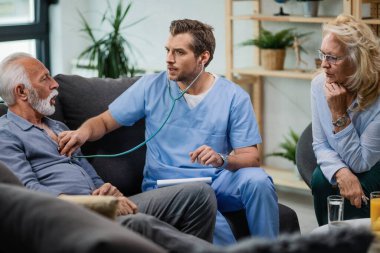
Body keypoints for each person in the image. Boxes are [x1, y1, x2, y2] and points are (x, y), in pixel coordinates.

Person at [58, 19, 279, 244]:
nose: (169, 59)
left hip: (217, 180)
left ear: (203, 57)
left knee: (258, 181)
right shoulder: (151, 86)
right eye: (168, 50)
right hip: (170, 185)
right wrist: (81, 133)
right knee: (212, 218)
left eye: (179, 52)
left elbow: (251, 157)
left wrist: (221, 159)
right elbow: (104, 122)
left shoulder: (233, 96)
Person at [0, 52, 219, 253]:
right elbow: (27, 192)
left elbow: (89, 174)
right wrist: (99, 204)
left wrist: (109, 191)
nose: (54, 83)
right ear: (21, 92)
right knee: (139, 224)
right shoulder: (6, 134)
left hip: (102, 205)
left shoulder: (58, 128)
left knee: (199, 194)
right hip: (70, 215)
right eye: (45, 78)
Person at [311, 14, 380, 225]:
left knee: (365, 183)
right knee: (322, 179)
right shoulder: (318, 85)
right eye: (322, 55)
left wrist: (339, 113)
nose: (324, 65)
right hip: (344, 160)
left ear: (357, 58)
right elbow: (320, 143)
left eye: (332, 57)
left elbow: (361, 162)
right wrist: (341, 172)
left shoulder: (377, 95)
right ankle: (330, 242)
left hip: (375, 163)